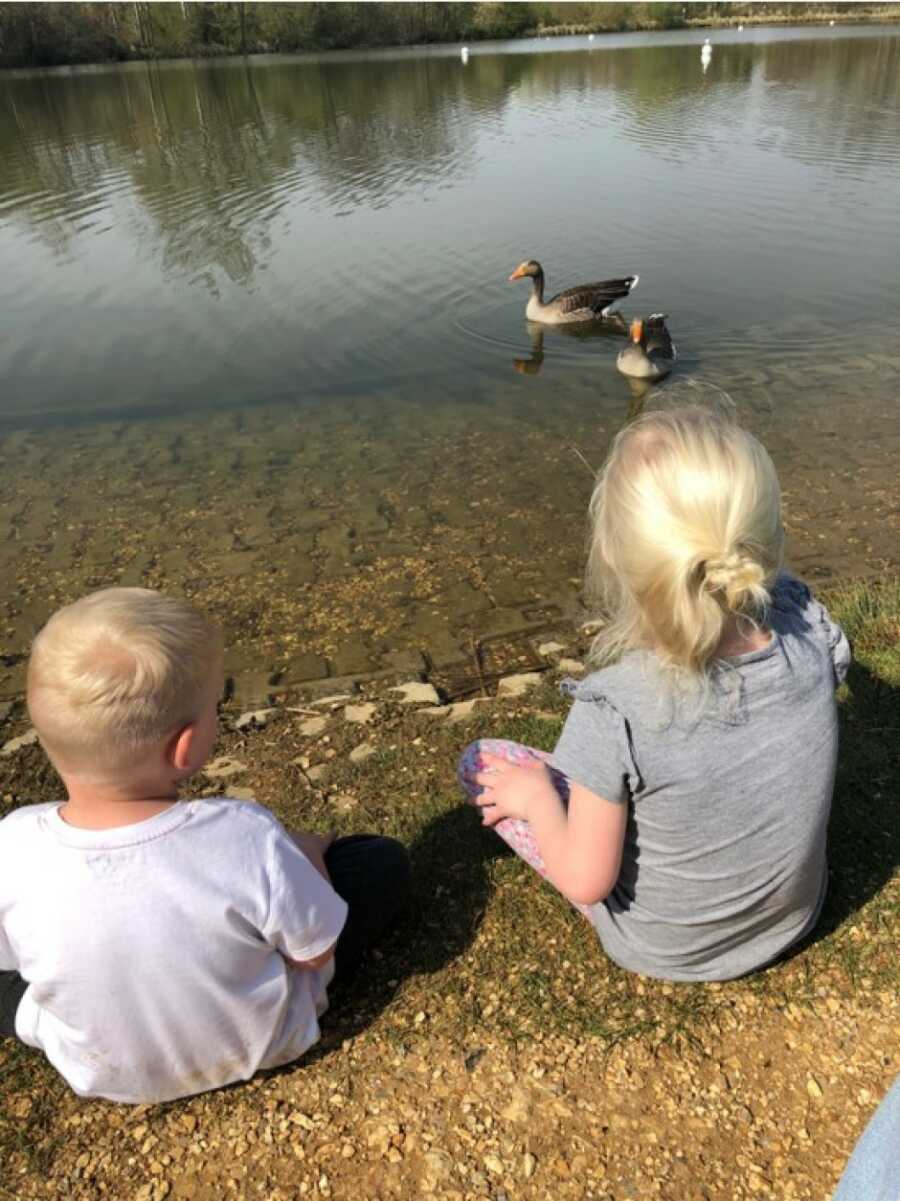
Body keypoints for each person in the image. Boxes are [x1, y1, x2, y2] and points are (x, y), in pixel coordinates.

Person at [461, 405, 851, 982]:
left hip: (666, 948)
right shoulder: (811, 633)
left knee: (486, 761)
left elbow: (587, 880)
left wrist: (540, 799)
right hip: (794, 916)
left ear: (614, 554)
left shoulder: (617, 707)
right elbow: (832, 659)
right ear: (765, 539)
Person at [0, 588, 410, 1103]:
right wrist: (306, 853)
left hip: (105, 1074)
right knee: (378, 864)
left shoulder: (12, 845)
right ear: (187, 746)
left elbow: (13, 958)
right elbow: (315, 952)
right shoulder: (245, 833)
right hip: (263, 1042)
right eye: (216, 706)